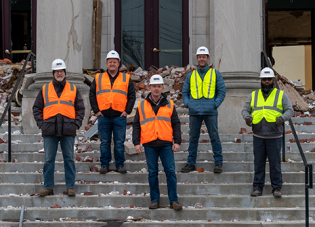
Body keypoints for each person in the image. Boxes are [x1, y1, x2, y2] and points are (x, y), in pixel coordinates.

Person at [33, 59, 85, 197]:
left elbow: (80, 109)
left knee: (69, 159)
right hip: (49, 130)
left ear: (65, 73)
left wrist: (76, 124)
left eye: (61, 71)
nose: (59, 73)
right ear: (53, 73)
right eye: (57, 71)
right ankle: (48, 187)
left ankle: (70, 187)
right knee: (49, 160)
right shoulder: (45, 89)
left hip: (68, 130)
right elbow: (37, 108)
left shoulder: (73, 89)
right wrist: (41, 124)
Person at [133, 75, 182, 211]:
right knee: (152, 173)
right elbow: (136, 125)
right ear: (149, 88)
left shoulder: (170, 104)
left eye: (159, 86)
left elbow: (176, 124)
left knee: (170, 172)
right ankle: (155, 200)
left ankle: (174, 200)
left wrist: (177, 141)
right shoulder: (142, 105)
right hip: (149, 144)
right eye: (154, 86)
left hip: (166, 143)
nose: (156, 89)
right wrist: (136, 143)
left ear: (162, 88)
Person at [242, 67, 293, 198]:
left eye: (269, 79)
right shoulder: (254, 95)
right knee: (258, 162)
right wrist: (247, 118)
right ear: (261, 80)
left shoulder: (281, 95)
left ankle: (276, 188)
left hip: (275, 135)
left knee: (275, 163)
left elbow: (289, 110)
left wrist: (281, 118)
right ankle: (257, 187)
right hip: (258, 135)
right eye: (264, 79)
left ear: (273, 80)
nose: (266, 81)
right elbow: (245, 110)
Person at [181, 46, 226, 173]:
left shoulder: (215, 74)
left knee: (214, 136)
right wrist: (188, 103)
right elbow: (185, 92)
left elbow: (221, 91)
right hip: (194, 111)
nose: (202, 59)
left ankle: (218, 162)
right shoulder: (191, 76)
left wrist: (215, 103)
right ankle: (191, 163)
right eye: (200, 57)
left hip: (210, 111)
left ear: (208, 58)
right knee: (193, 138)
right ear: (197, 59)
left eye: (204, 57)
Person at [89, 50, 136, 174]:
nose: (112, 64)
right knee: (104, 142)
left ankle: (120, 165)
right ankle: (105, 165)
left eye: (114, 62)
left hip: (119, 116)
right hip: (103, 116)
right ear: (106, 63)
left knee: (119, 142)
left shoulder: (126, 78)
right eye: (110, 62)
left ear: (119, 63)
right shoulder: (99, 77)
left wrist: (127, 111)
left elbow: (132, 95)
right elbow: (92, 94)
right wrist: (96, 111)